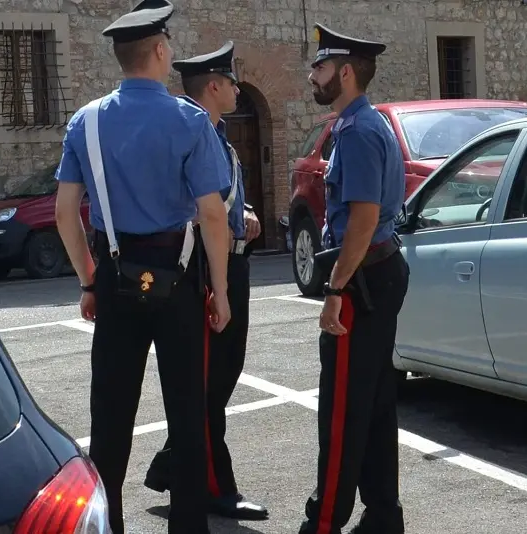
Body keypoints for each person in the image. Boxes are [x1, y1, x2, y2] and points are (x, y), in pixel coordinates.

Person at [53, 0, 233, 532]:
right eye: (169, 45)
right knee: (186, 412)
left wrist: (89, 279)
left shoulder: (85, 122)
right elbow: (213, 215)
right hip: (177, 278)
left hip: (114, 273)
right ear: (158, 50)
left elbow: (66, 212)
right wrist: (220, 292)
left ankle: (107, 526)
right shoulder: (189, 120)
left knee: (110, 420)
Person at [142, 40, 269, 521]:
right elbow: (193, 208)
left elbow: (219, 200)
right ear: (213, 86)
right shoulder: (196, 134)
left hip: (230, 260)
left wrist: (246, 213)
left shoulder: (216, 135)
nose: (238, 88)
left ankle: (176, 465)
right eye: (232, 81)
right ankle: (211, 484)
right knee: (211, 382)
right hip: (207, 267)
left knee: (219, 377)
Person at [297, 23, 410, 534]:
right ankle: (383, 516)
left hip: (362, 281)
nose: (311, 76)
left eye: (319, 68)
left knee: (342, 410)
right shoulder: (358, 125)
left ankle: (326, 521)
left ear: (344, 72)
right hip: (377, 273)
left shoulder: (360, 131)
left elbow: (362, 219)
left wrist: (335, 291)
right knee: (375, 404)